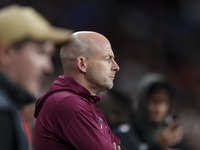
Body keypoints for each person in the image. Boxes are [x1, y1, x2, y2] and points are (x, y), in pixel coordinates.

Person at [34, 31, 121, 150]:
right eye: (107, 59)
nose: (116, 66)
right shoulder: (69, 104)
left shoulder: (85, 105)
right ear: (82, 64)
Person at [0, 5, 71, 150]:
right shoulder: (2, 114)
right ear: (6, 53)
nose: (48, 67)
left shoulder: (10, 107)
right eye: (41, 53)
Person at [130, 73, 188, 150]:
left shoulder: (174, 136)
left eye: (165, 102)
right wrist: (157, 146)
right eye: (154, 101)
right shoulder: (127, 132)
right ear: (142, 101)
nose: (159, 109)